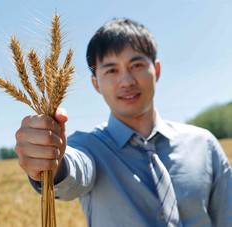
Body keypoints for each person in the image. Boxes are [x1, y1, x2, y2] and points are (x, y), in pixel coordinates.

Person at [15, 18, 232, 226]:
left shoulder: (204, 145)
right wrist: (51, 163)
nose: (126, 82)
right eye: (111, 70)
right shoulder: (89, 147)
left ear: (156, 70)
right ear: (96, 83)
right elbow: (73, 168)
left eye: (136, 65)